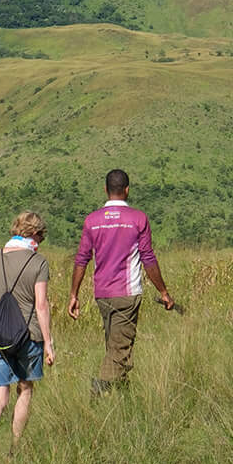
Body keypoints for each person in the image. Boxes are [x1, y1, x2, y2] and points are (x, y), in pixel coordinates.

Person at [68, 169, 174, 394]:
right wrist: (163, 291)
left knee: (115, 346)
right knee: (119, 349)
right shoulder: (138, 218)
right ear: (127, 190)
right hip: (127, 294)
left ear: (105, 190)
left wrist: (74, 295)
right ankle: (99, 389)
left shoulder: (92, 221)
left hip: (103, 295)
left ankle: (123, 401)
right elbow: (148, 258)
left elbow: (82, 259)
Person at [0, 211, 57, 461]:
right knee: (25, 389)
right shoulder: (38, 262)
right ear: (34, 234)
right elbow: (41, 305)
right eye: (40, 236)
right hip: (29, 335)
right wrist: (48, 343)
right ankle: (14, 447)